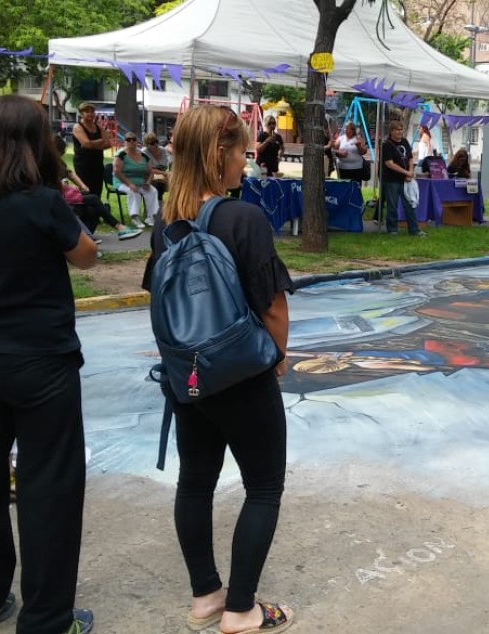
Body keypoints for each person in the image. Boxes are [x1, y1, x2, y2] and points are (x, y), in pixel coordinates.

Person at [141, 105, 294, 634]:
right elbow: (272, 304)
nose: (245, 161)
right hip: (242, 374)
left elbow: (157, 300)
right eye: (241, 151)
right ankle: (242, 610)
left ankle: (207, 595)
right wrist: (276, 356)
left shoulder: (167, 223)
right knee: (264, 487)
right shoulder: (243, 218)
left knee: (196, 483)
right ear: (218, 153)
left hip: (190, 377)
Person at [0, 94, 98, 634]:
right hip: (42, 362)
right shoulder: (43, 202)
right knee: (49, 486)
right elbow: (88, 254)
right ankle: (46, 618)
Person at [53, 136, 142, 241]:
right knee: (94, 199)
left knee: (93, 209)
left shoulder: (58, 161)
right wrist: (64, 185)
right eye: (60, 152)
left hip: (67, 195)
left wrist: (82, 186)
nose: (62, 155)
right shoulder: (46, 163)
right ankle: (119, 227)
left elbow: (70, 173)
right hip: (59, 197)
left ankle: (87, 238)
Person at [381, 121, 425, 237]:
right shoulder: (387, 145)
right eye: (397, 129)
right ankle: (392, 229)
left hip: (406, 179)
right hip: (392, 180)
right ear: (391, 131)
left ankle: (414, 229)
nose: (400, 132)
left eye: (401, 129)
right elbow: (389, 163)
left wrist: (410, 172)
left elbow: (410, 158)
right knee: (392, 205)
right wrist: (406, 172)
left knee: (409, 204)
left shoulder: (405, 142)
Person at [113, 132, 160, 228]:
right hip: (122, 181)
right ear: (124, 142)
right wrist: (129, 184)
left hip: (140, 182)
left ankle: (151, 217)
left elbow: (150, 171)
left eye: (133, 139)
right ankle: (135, 217)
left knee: (152, 191)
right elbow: (117, 171)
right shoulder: (121, 154)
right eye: (128, 139)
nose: (131, 141)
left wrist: (148, 182)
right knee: (134, 192)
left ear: (136, 141)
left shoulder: (143, 155)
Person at [71, 102, 112, 199]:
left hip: (97, 163)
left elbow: (108, 144)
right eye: (87, 111)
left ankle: (96, 212)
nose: (90, 114)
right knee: (86, 190)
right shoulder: (78, 127)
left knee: (97, 190)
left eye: (92, 111)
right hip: (83, 164)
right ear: (81, 113)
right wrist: (99, 141)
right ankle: (85, 213)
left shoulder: (98, 127)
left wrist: (92, 144)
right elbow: (86, 143)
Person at [142, 132, 172, 201]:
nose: (155, 144)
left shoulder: (163, 150)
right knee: (157, 185)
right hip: (148, 177)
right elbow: (149, 170)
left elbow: (169, 163)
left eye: (156, 141)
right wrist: (164, 173)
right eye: (152, 143)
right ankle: (155, 208)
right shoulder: (144, 153)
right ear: (146, 145)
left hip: (163, 176)